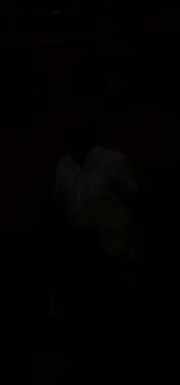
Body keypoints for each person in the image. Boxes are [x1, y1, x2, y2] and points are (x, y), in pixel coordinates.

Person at [52, 116, 139, 325]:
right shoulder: (64, 165)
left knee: (115, 292)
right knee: (87, 293)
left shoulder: (114, 161)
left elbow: (133, 197)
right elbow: (59, 201)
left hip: (112, 239)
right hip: (80, 240)